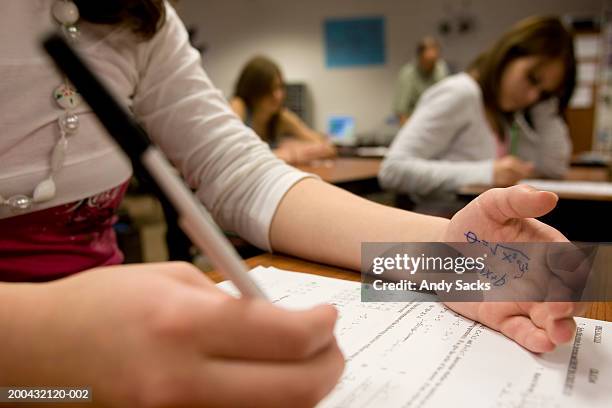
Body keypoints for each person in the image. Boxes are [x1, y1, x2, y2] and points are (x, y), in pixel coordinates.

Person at [0, 2, 581, 406]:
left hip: (118, 348)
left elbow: (239, 173)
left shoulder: (140, 16)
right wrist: (32, 345)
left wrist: (442, 255)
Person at [380, 17, 575, 206]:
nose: (532, 96)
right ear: (508, 55)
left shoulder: (505, 114)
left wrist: (546, 105)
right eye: (532, 78)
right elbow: (393, 170)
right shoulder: (461, 93)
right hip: (440, 226)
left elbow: (552, 168)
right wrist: (487, 173)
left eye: (543, 94)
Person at [230, 55, 336, 164]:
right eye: (268, 89)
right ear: (253, 90)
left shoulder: (281, 117)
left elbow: (326, 146)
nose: (278, 95)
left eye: (280, 87)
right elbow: (232, 153)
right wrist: (288, 154)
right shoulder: (239, 105)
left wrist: (297, 148)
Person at [392, 36, 449, 126]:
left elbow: (446, 99)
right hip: (414, 122)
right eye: (429, 60)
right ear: (420, 57)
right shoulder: (408, 74)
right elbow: (401, 110)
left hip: (437, 121)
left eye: (435, 59)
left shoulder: (441, 69)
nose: (433, 63)